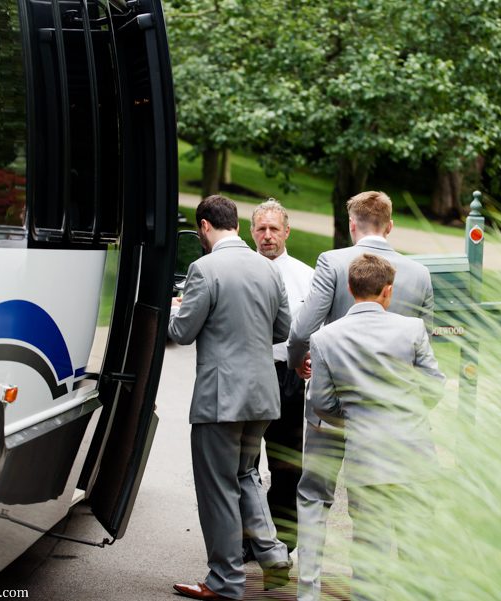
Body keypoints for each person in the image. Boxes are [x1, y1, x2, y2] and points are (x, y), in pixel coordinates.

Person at [286, 190, 434, 601]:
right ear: (390, 225)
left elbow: (302, 331)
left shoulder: (331, 262)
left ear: (352, 225)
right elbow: (427, 346)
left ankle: (309, 591)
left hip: (330, 407)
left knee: (315, 495)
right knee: (389, 503)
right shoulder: (419, 273)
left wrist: (301, 363)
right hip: (391, 417)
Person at [168, 195, 293, 601]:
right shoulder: (269, 269)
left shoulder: (203, 269)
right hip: (262, 395)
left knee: (218, 486)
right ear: (237, 226)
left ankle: (225, 580)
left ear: (204, 226)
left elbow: (182, 332)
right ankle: (274, 556)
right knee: (246, 476)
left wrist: (175, 309)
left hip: (221, 398)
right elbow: (283, 328)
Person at [308, 253, 445, 601]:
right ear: (388, 291)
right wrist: (410, 411)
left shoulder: (326, 338)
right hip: (414, 452)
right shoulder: (411, 328)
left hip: (366, 456)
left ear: (351, 289)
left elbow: (322, 403)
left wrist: (354, 417)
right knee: (419, 549)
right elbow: (435, 384)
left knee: (369, 551)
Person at [248, 199, 314, 553]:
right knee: (245, 463)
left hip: (286, 376)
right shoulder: (240, 271)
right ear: (251, 232)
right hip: (247, 374)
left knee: (288, 464)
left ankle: (282, 541)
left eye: (275, 228)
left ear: (287, 231)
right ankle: (245, 539)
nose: (268, 235)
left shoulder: (307, 276)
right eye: (262, 228)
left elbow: (320, 327)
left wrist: (310, 359)